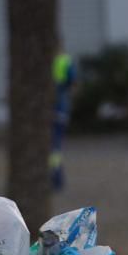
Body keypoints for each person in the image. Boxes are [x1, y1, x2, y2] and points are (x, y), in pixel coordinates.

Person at [50, 48, 77, 190]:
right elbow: (73, 84)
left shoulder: (41, 60)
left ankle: (55, 178)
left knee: (53, 149)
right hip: (61, 110)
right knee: (55, 148)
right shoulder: (65, 61)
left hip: (51, 110)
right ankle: (56, 178)